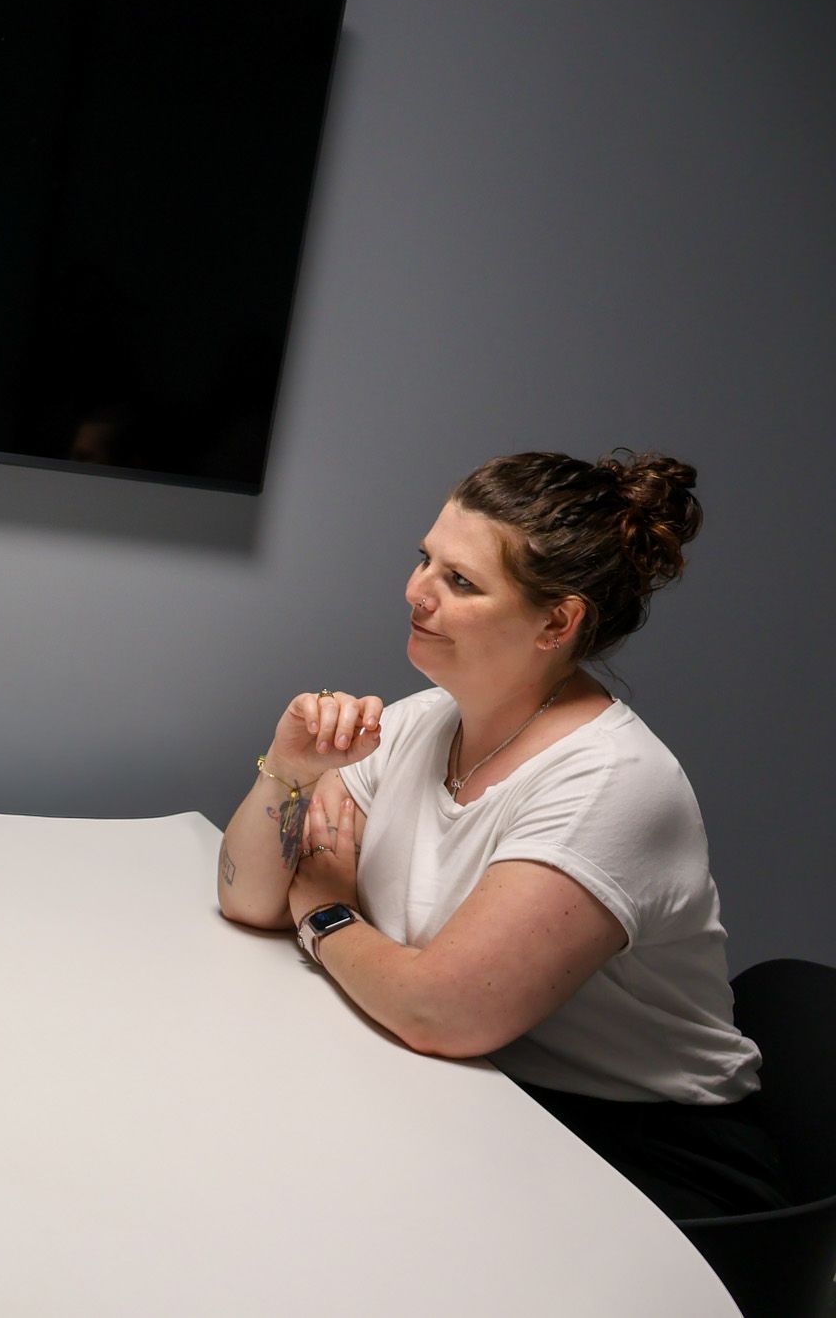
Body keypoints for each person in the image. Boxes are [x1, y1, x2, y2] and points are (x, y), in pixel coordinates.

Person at [216, 450, 786, 1221]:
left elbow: (440, 1010)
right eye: (426, 559)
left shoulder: (610, 780)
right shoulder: (424, 719)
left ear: (558, 620)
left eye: (460, 581)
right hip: (476, 1095)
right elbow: (250, 897)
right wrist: (285, 770)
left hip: (645, 1156)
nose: (415, 592)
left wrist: (322, 903)